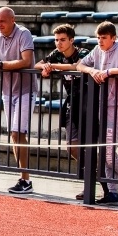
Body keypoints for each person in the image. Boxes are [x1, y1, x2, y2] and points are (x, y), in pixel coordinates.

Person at [77, 22, 118, 205]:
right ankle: (113, 193)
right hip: (99, 106)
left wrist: (108, 72)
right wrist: (93, 70)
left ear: (113, 38)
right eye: (98, 37)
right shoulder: (97, 50)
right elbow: (80, 65)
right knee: (104, 149)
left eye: (104, 38)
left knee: (108, 153)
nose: (101, 41)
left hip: (115, 107)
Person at [0, 7, 37, 194]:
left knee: (18, 132)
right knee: (14, 135)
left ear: (13, 20)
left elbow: (26, 61)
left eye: (3, 21)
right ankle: (23, 177)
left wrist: (0, 65)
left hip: (25, 89)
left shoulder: (24, 33)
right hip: (7, 90)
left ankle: (25, 178)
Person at [35, 24, 89, 165]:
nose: (59, 43)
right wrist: (45, 67)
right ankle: (93, 170)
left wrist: (52, 66)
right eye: (56, 40)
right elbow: (37, 65)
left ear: (71, 40)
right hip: (72, 101)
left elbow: (77, 66)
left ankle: (97, 173)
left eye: (63, 40)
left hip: (89, 101)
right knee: (72, 146)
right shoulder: (56, 54)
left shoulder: (83, 52)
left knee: (92, 144)